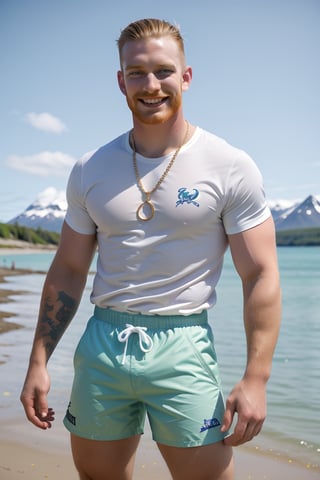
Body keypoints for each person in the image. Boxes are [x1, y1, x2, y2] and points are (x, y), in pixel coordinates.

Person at [20, 18, 281, 480]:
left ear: (186, 76)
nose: (151, 85)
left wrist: (256, 378)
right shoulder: (90, 169)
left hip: (183, 347)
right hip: (103, 347)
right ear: (121, 80)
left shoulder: (229, 166)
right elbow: (68, 269)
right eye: (136, 73)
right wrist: (38, 362)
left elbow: (260, 273)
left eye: (163, 70)